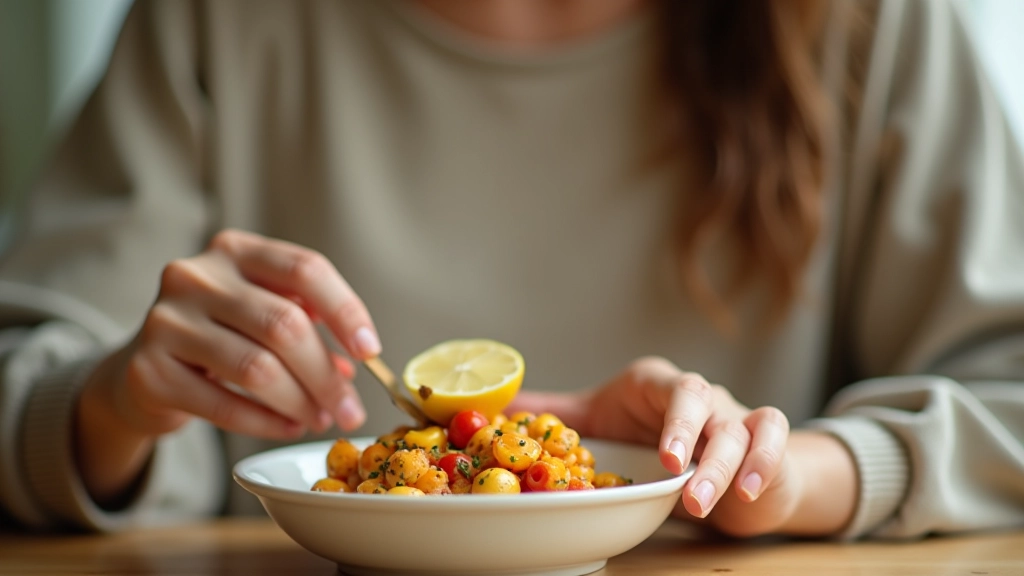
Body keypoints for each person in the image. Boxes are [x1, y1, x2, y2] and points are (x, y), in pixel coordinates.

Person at [1, 0, 1022, 540]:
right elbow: (25, 381)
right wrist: (114, 408)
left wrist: (788, 478)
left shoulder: (873, 23)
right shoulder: (211, 19)